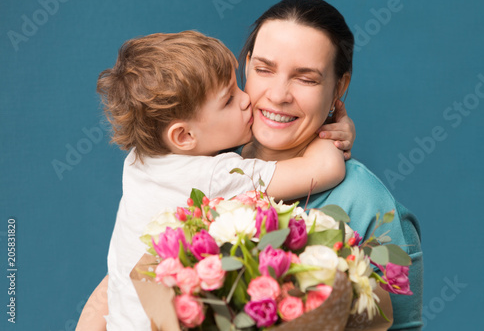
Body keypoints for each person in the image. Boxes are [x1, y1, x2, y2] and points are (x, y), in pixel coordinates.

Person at [76, 30, 356, 330]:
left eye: (238, 88)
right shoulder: (216, 175)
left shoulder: (138, 159)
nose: (247, 100)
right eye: (228, 101)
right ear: (184, 136)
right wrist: (332, 128)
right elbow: (327, 169)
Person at [238, 0, 423, 330]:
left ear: (339, 86)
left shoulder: (371, 207)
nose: (279, 94)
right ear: (246, 66)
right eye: (264, 69)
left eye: (306, 78)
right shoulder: (201, 166)